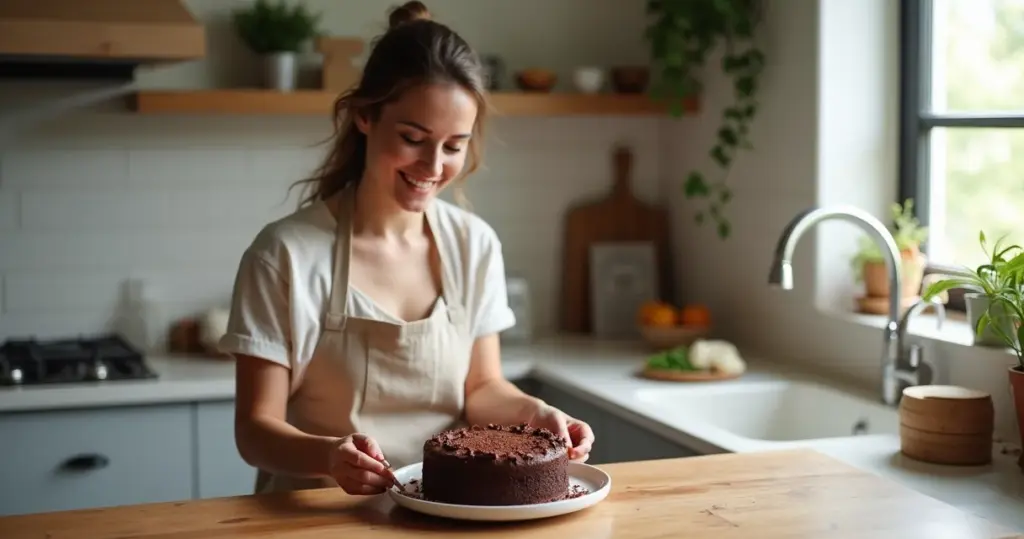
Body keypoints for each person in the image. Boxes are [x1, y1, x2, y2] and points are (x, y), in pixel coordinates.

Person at [219, 1, 595, 496]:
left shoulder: (472, 244)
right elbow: (254, 431)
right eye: (413, 138)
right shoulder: (285, 255)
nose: (433, 166)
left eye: (454, 145)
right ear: (364, 117)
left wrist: (538, 415)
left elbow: (482, 388)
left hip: (446, 511)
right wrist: (328, 457)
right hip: (317, 516)